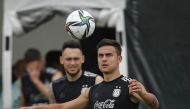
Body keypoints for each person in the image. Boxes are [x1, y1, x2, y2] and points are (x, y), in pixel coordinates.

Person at [20, 38, 159, 109]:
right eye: (100, 55)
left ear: (119, 59)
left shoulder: (129, 84)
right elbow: (62, 107)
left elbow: (154, 104)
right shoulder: (91, 91)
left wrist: (145, 95)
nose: (104, 59)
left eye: (108, 55)